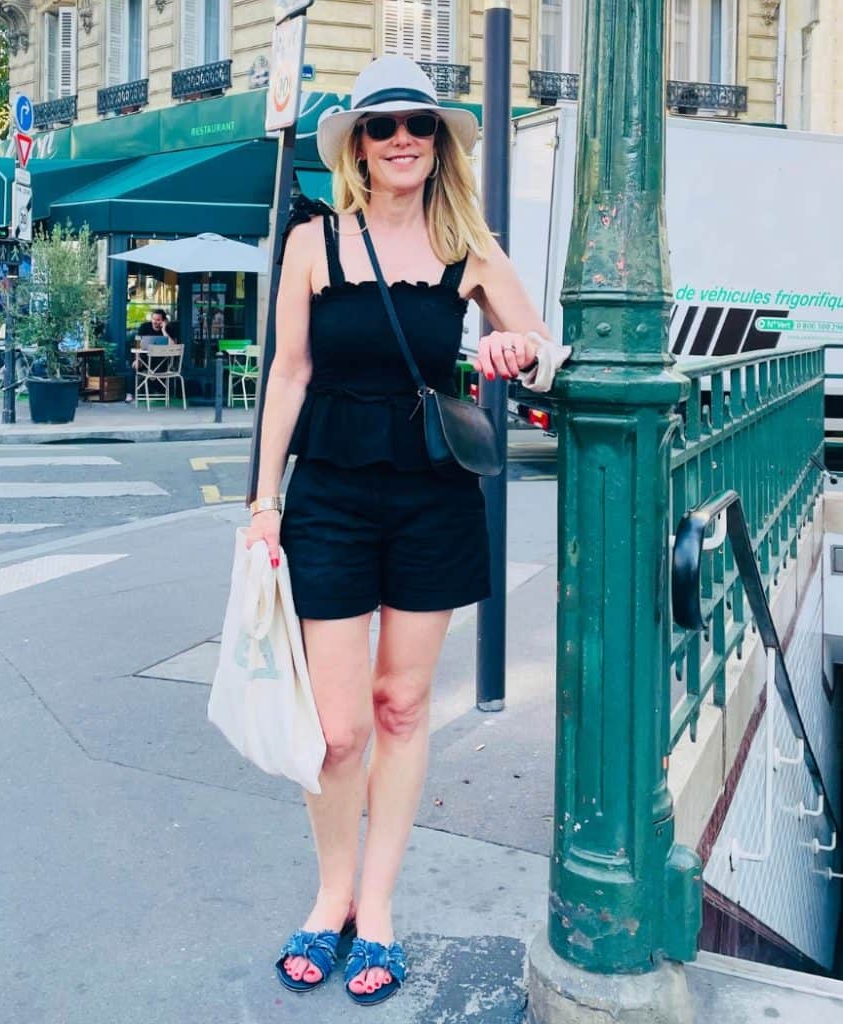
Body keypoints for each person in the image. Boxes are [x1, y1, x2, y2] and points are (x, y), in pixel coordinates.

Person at [246, 55, 570, 1006]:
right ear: (357, 143)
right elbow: (290, 376)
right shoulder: (314, 242)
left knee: (400, 708)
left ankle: (376, 910)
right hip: (332, 496)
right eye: (383, 126)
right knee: (339, 730)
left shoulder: (469, 247)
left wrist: (514, 348)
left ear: (438, 144)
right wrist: (261, 501)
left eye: (418, 126)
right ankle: (330, 895)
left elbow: (544, 352)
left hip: (432, 496)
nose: (401, 140)